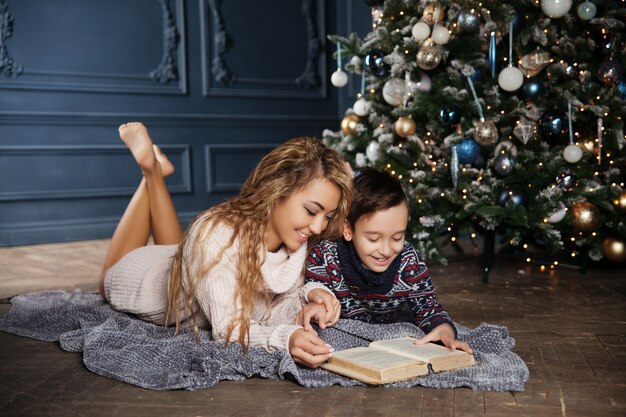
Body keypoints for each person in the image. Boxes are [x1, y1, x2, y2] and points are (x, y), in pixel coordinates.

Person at [99, 122, 354, 368]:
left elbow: (271, 307)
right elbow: (228, 328)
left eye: (328, 217)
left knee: (183, 248)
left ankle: (155, 171)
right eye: (311, 211)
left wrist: (309, 299)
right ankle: (150, 172)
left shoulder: (294, 242)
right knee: (106, 278)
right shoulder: (215, 235)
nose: (319, 227)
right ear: (277, 191)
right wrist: (285, 339)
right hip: (144, 280)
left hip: (186, 264)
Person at [305, 167, 472, 354]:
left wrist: (444, 330)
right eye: (373, 239)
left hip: (391, 338)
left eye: (397, 238)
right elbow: (312, 294)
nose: (385, 250)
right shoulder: (325, 256)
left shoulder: (409, 261)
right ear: (348, 230)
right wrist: (316, 305)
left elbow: (429, 309)